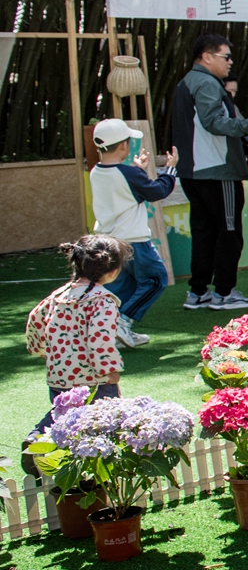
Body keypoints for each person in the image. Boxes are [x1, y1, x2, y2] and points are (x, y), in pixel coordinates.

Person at [169, 34, 248, 312]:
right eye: (226, 56)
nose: (230, 62)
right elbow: (213, 122)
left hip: (193, 171)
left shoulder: (187, 81)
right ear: (207, 57)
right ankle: (224, 292)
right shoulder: (206, 82)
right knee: (228, 231)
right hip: (216, 170)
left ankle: (198, 292)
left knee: (204, 232)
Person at [89, 119, 175, 349]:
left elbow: (123, 186)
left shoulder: (96, 171)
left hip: (108, 240)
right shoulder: (127, 174)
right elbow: (158, 191)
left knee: (123, 284)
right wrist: (171, 169)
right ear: (123, 146)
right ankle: (122, 323)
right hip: (133, 240)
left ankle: (110, 330)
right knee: (156, 279)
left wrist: (137, 171)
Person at [27, 235, 127, 430]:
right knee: (103, 424)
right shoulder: (102, 301)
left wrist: (40, 350)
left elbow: (35, 319)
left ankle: (39, 438)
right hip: (93, 378)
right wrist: (109, 370)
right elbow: (99, 340)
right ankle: (38, 435)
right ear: (113, 271)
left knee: (66, 418)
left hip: (59, 375)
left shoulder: (58, 295)